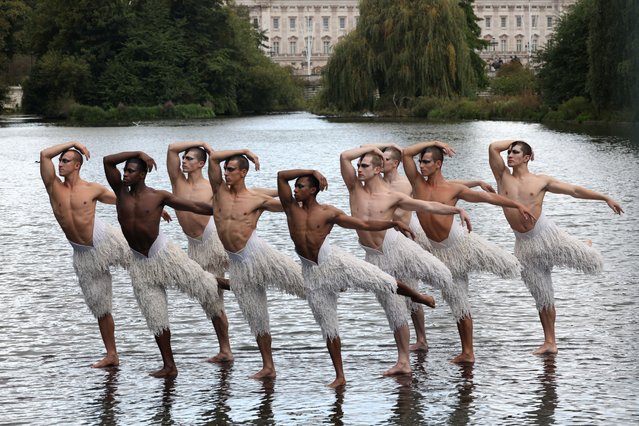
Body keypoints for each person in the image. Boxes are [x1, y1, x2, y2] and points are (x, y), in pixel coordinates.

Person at [278, 168, 437, 386]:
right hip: (312, 274)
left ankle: (418, 297)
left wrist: (391, 223)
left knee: (381, 280)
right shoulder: (290, 209)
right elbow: (281, 175)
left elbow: (362, 224)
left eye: (301, 186)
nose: (295, 190)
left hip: (335, 263)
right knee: (329, 327)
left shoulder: (328, 212)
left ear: (313, 190)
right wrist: (312, 170)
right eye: (295, 186)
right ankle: (340, 376)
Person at [340, 145, 471, 375]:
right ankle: (403, 361)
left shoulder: (393, 196)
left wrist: (456, 211)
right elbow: (343, 157)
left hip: (396, 246)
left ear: (378, 168)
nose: (359, 169)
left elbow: (427, 205)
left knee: (441, 274)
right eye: (358, 165)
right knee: (395, 312)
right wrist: (371, 148)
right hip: (374, 257)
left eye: (364, 165)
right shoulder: (355, 189)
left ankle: (455, 308)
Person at [402, 140, 535, 364]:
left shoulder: (453, 188)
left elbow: (486, 197)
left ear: (438, 164)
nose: (421, 166)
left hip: (462, 244)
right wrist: (434, 142)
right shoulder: (417, 185)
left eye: (426, 162)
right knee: (458, 303)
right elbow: (405, 153)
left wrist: (517, 205)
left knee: (511, 266)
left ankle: (532, 260)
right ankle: (467, 352)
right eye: (420, 162)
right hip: (442, 254)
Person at [488, 139, 624, 355]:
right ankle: (549, 342)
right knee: (542, 296)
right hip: (524, 245)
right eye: (510, 152)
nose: (509, 155)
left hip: (546, 235)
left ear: (527, 158)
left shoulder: (541, 181)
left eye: (515, 152)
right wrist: (516, 139)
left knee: (591, 262)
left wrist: (604, 197)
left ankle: (583, 246)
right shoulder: (502, 176)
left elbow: (574, 191)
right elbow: (493, 147)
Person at [104, 150, 226, 378]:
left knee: (205, 286)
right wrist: (139, 153)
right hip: (140, 264)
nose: (125, 174)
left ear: (142, 175)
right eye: (124, 170)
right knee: (155, 317)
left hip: (163, 254)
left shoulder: (158, 196)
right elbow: (107, 160)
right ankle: (169, 366)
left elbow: (194, 206)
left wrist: (226, 211)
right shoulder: (121, 193)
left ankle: (223, 283)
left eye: (130, 171)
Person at [376, 143, 495, 352]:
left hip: (411, 238)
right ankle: (419, 340)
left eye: (384, 159)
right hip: (391, 240)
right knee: (404, 291)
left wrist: (474, 183)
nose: (379, 162)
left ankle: (422, 339)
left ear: (395, 164)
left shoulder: (406, 184)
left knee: (412, 290)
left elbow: (446, 185)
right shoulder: (377, 183)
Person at [206, 148, 306, 380]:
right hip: (238, 264)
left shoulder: (257, 199)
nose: (226, 172)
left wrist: (307, 185)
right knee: (256, 318)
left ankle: (328, 283)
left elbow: (292, 206)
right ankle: (268, 367)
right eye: (225, 169)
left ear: (242, 173)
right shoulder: (219, 192)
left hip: (259, 254)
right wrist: (243, 151)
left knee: (306, 286)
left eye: (230, 169)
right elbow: (213, 159)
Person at [40, 141, 131, 368]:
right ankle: (112, 355)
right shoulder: (54, 187)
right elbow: (43, 155)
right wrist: (72, 143)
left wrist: (155, 212)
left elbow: (124, 201)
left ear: (77, 166)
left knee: (147, 261)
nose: (60, 164)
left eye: (65, 161)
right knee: (100, 306)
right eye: (59, 161)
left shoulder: (93, 189)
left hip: (105, 239)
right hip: (83, 254)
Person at [167, 141, 232, 363]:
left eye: (189, 159)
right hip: (194, 246)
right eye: (184, 159)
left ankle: (226, 350)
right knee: (210, 300)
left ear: (201, 164)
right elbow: (171, 149)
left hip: (213, 239)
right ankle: (225, 350)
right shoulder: (177, 182)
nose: (184, 162)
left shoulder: (211, 186)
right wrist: (200, 143)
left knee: (214, 296)